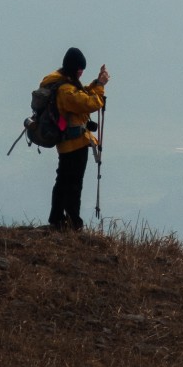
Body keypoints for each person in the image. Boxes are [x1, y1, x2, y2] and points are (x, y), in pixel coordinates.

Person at [41, 47, 108, 230]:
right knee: (73, 184)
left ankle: (58, 218)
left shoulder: (64, 84)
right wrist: (100, 87)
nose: (81, 72)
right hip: (74, 144)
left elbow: (83, 93)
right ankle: (72, 222)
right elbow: (89, 103)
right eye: (79, 69)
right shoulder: (66, 90)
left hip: (68, 143)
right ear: (72, 67)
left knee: (64, 181)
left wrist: (96, 83)